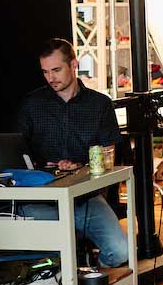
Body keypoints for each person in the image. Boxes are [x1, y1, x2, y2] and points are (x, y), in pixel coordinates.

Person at [17, 38, 130, 267]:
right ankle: (60, 281)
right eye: (45, 72)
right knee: (49, 255)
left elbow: (110, 155)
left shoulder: (100, 104)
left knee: (120, 252)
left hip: (85, 198)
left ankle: (90, 280)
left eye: (56, 70)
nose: (51, 78)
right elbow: (17, 151)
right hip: (42, 199)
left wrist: (82, 167)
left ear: (74, 65)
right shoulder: (32, 104)